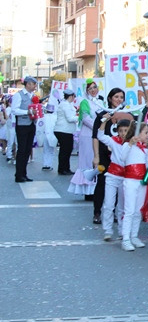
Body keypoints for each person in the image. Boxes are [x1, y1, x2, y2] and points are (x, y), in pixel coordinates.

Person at [69, 79, 105, 223]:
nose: (93, 90)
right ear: (86, 90)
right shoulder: (84, 102)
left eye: (95, 87)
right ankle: (87, 191)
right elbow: (85, 118)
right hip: (87, 135)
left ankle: (94, 191)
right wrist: (98, 126)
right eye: (90, 88)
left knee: (96, 162)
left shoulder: (101, 102)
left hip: (98, 136)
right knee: (87, 162)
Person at [91, 87, 127, 231]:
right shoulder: (101, 115)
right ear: (110, 98)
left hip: (118, 157)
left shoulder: (126, 116)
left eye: (121, 97)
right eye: (116, 96)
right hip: (104, 154)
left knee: (119, 184)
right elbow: (95, 137)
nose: (119, 99)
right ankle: (97, 212)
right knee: (101, 183)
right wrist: (96, 156)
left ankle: (114, 212)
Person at [96, 116, 130, 241]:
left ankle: (122, 230)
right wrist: (104, 121)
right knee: (109, 205)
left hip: (126, 177)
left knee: (122, 207)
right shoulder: (113, 141)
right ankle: (108, 230)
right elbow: (100, 136)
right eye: (120, 130)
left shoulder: (133, 143)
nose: (123, 133)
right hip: (112, 175)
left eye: (126, 130)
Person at [120, 121, 148, 252]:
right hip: (130, 181)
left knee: (138, 210)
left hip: (141, 182)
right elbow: (122, 158)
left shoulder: (144, 149)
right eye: (145, 133)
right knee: (129, 210)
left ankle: (134, 235)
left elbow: (144, 165)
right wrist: (130, 144)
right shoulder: (128, 145)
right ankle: (125, 238)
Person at [12, 76, 38, 183]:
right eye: (33, 84)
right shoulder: (19, 95)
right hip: (22, 125)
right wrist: (26, 112)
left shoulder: (33, 96)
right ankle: (19, 174)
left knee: (27, 150)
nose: (35, 86)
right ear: (28, 84)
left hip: (31, 124)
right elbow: (14, 110)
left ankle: (24, 173)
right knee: (22, 150)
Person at [54, 89, 78, 175]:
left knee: (67, 150)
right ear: (71, 96)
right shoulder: (65, 105)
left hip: (66, 130)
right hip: (63, 130)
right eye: (74, 96)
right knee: (65, 150)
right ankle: (62, 169)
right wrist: (80, 117)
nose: (74, 98)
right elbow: (70, 118)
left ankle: (66, 168)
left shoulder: (68, 104)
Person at [41, 103, 57, 171]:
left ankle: (45, 164)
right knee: (51, 150)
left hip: (45, 134)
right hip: (53, 135)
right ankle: (49, 164)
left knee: (45, 150)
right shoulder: (55, 117)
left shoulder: (43, 117)